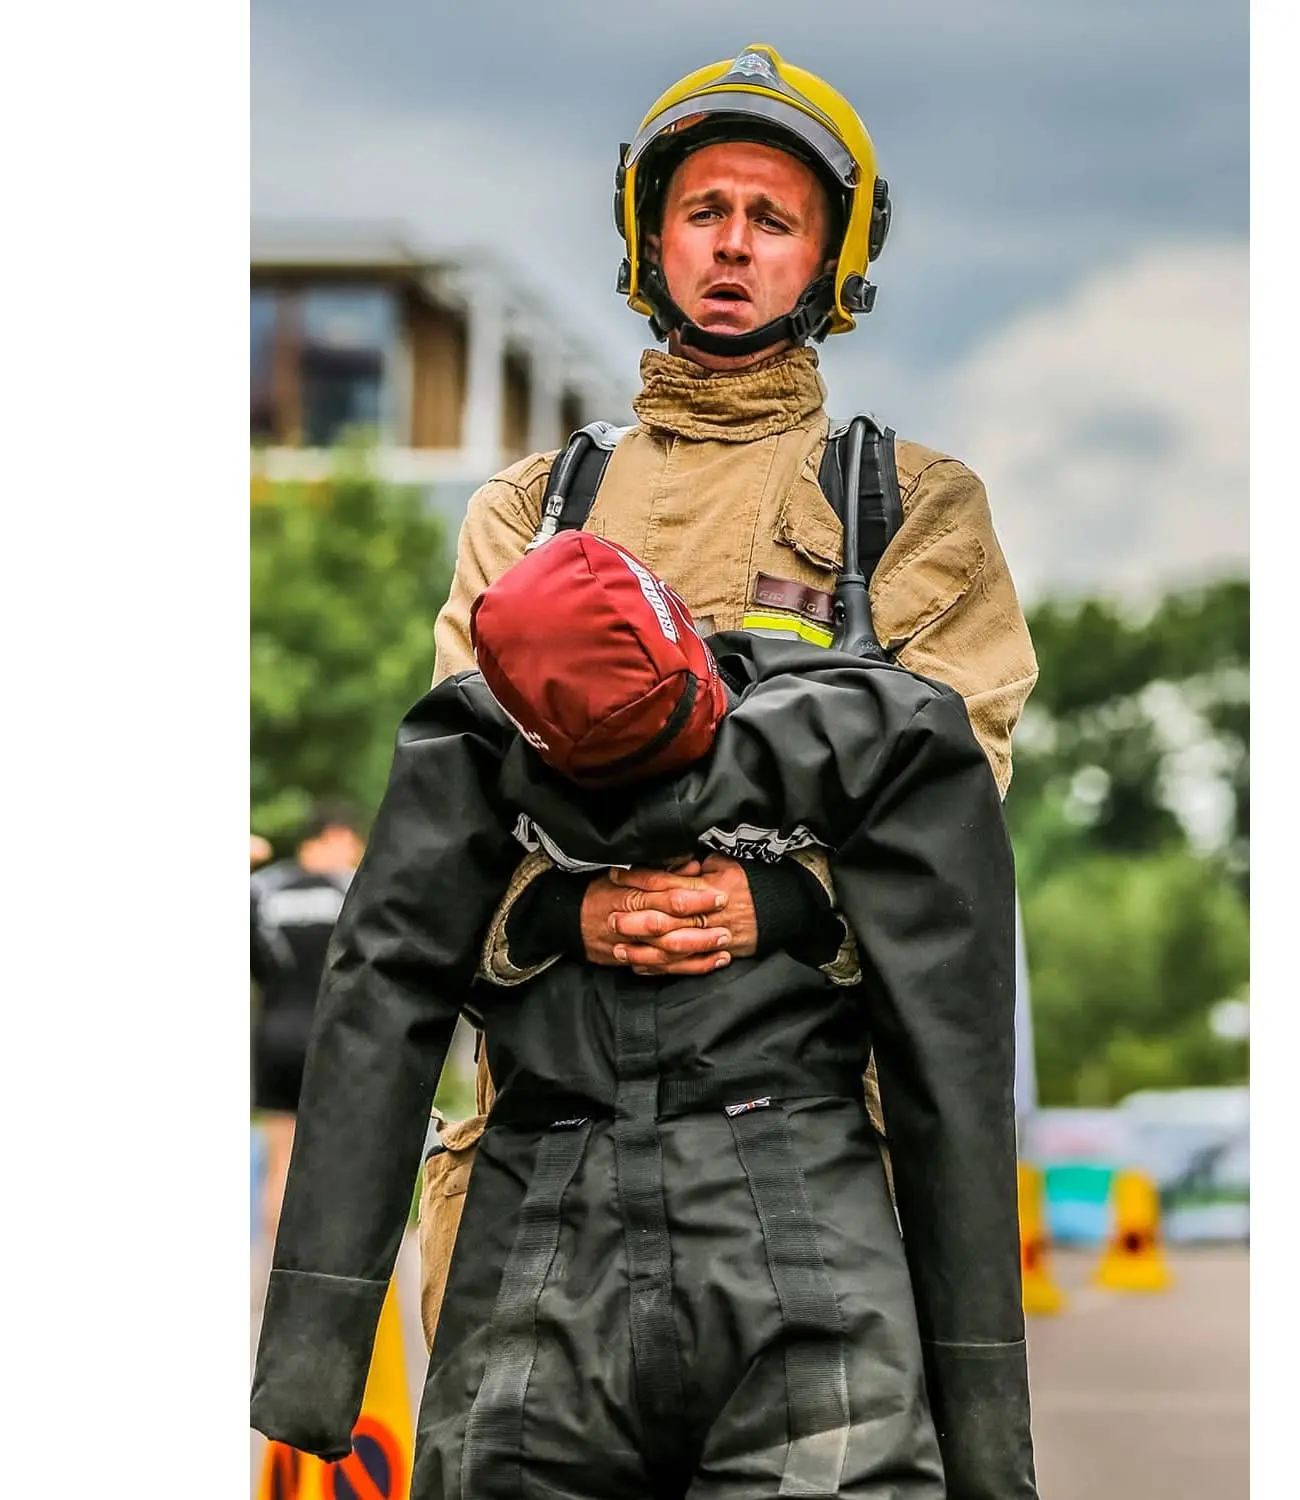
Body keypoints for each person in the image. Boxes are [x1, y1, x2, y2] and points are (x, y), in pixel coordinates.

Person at [425, 37, 1040, 1299]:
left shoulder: (911, 510)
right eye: (704, 210)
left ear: (833, 260)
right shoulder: (530, 514)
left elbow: (956, 795)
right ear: (650, 241)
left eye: (774, 219)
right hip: (546, 1165)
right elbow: (450, 807)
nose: (733, 246)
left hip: (819, 1171)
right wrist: (569, 914)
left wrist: (785, 902)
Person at [250, 533, 1039, 1499]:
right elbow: (952, 1048)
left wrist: (314, 1352)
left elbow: (382, 986)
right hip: (774, 1204)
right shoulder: (878, 730)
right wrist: (984, 1432)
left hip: (557, 1219)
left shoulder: (467, 746)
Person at [249, 798, 365, 1245]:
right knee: (338, 1161)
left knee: (279, 1161)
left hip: (275, 1034)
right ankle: (328, 1267)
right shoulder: (351, 888)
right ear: (336, 836)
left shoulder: (263, 890)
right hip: (335, 1037)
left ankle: (273, 1274)